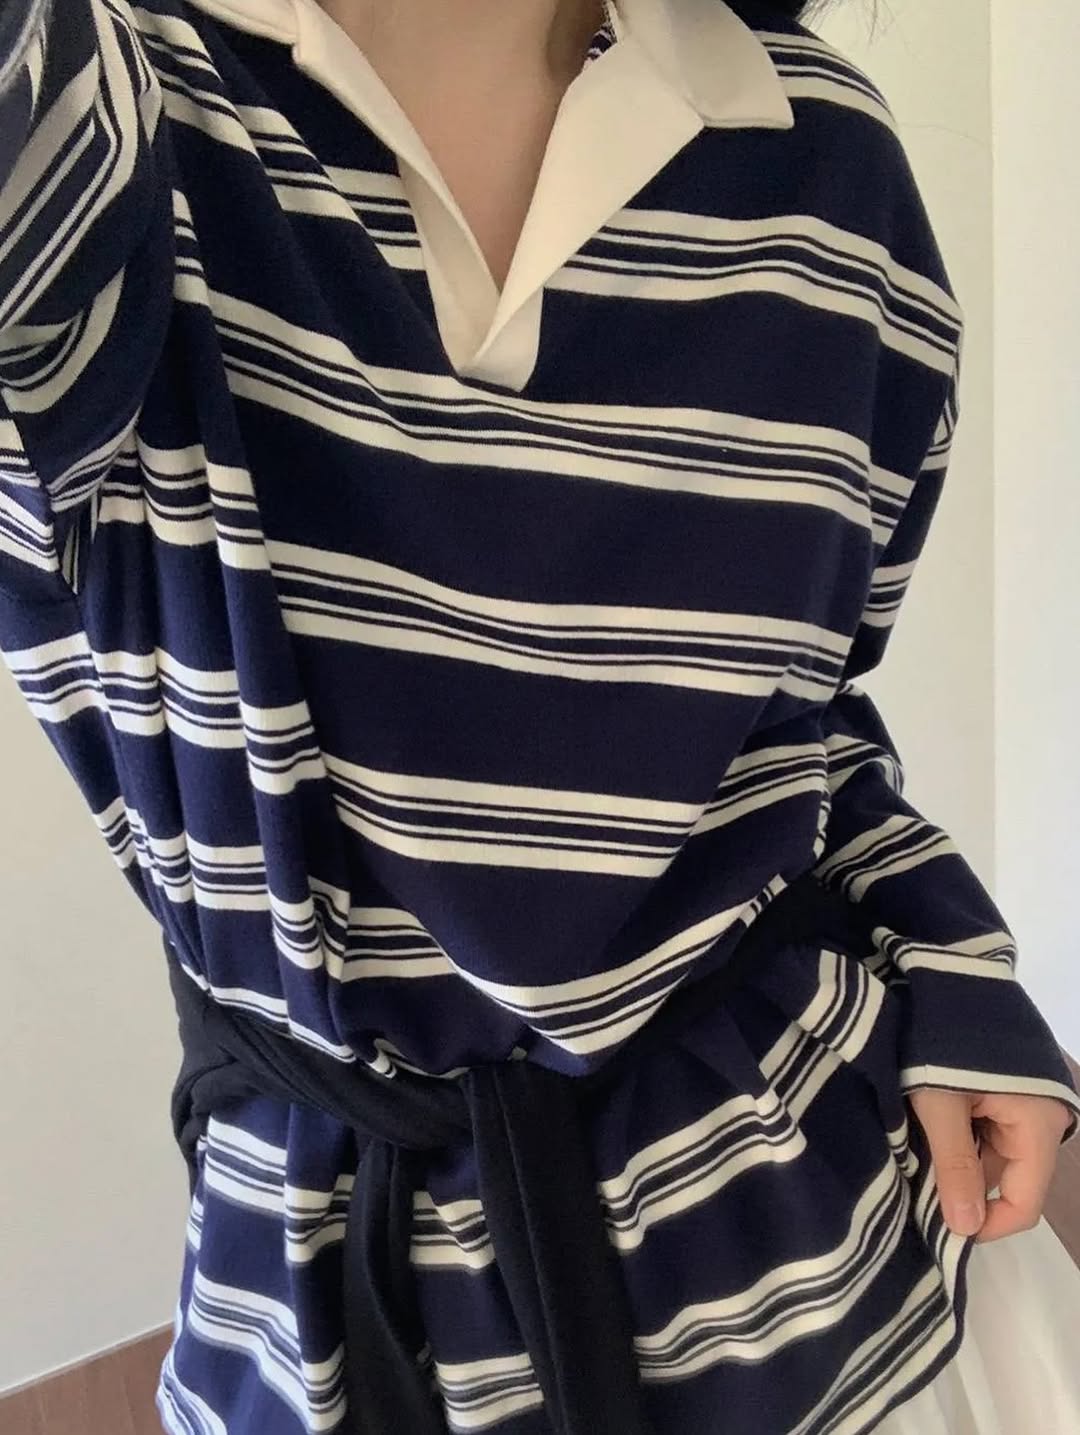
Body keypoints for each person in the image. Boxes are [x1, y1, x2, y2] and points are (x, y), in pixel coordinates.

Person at [1, 0, 1079, 1431]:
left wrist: (951, 957)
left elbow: (802, 712)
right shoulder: (95, 126)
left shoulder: (826, 157)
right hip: (333, 1316)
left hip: (855, 1278)